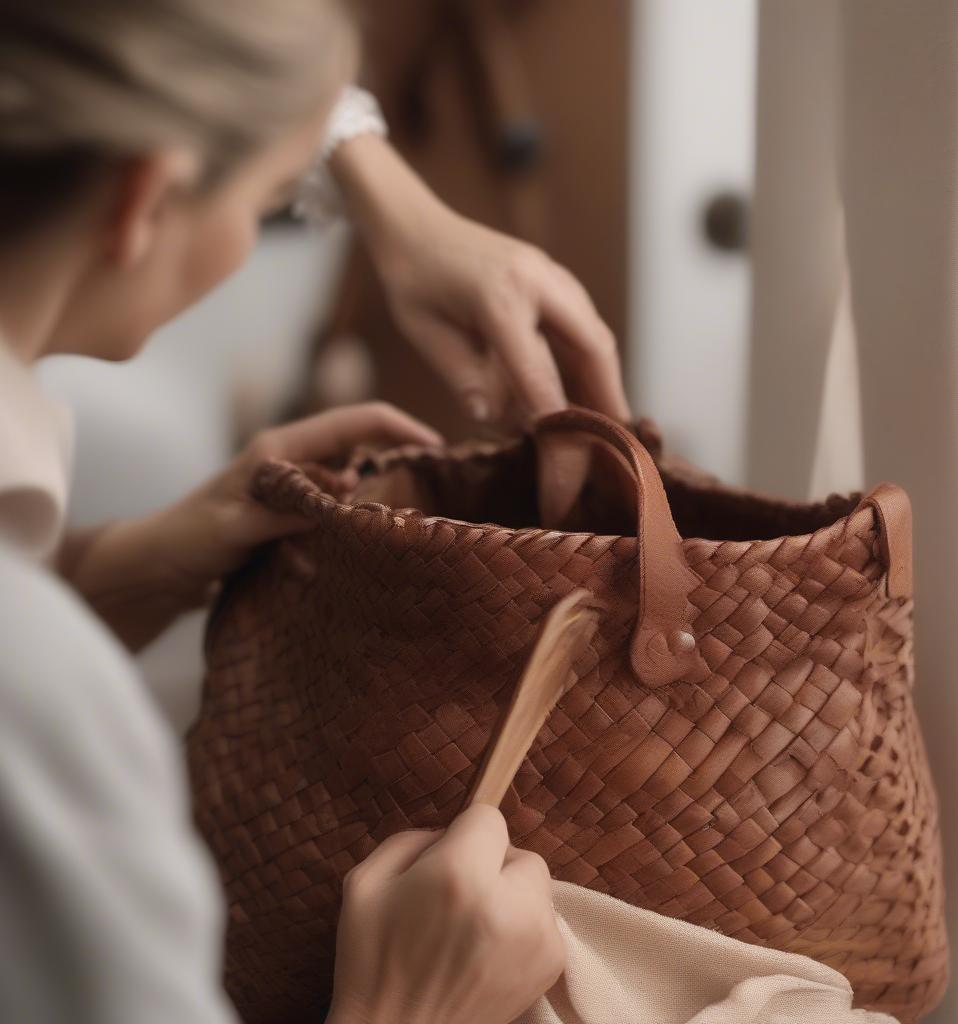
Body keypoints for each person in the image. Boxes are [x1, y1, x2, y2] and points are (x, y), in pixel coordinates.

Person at [0, 2, 629, 1022]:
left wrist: (126, 566)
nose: (254, 234)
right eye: (263, 200)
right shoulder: (41, 705)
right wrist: (404, 1005)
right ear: (141, 200)